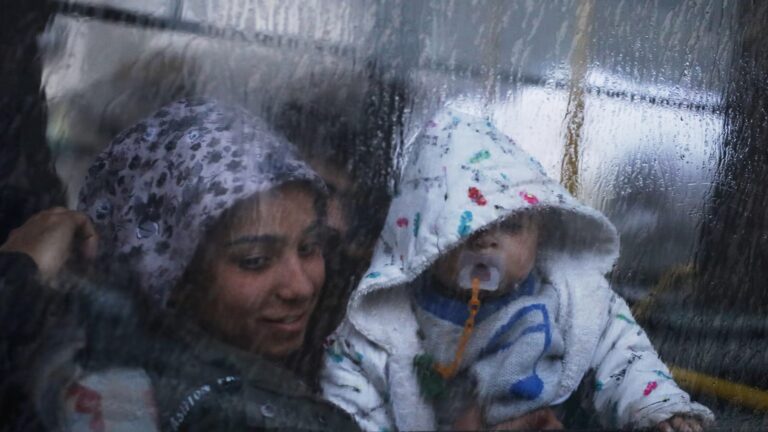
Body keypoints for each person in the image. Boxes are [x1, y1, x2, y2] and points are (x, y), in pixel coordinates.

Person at [320, 107, 715, 431]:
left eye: (510, 226)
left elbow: (624, 356)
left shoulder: (574, 299)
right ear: (421, 240)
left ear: (540, 233)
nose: (487, 243)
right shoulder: (379, 332)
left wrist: (658, 410)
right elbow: (352, 412)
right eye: (464, 230)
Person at [0, 98, 360, 431]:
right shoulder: (224, 412)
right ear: (171, 276)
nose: (300, 287)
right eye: (255, 261)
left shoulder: (81, 349)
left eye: (310, 246)